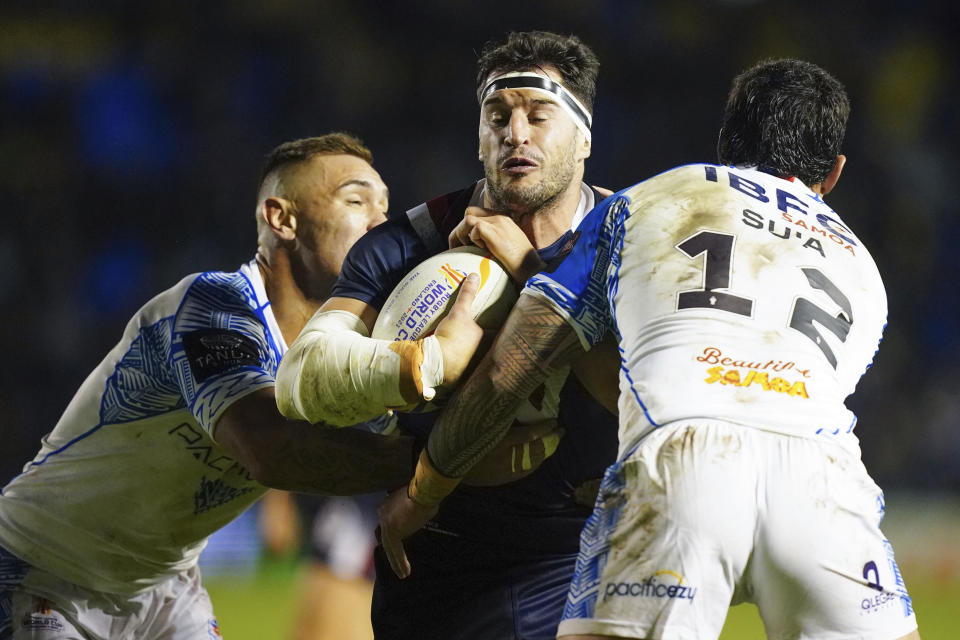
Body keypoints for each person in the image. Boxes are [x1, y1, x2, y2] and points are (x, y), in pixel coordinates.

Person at [380, 59, 922, 640]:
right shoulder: (864, 268)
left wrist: (422, 493)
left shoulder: (645, 201)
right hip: (826, 483)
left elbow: (510, 368)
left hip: (684, 462)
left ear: (723, 142)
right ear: (834, 173)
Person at [0, 132, 530, 640]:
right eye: (355, 201)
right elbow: (270, 447)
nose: (380, 223)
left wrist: (524, 284)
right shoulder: (212, 307)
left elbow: (424, 429)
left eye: (385, 208)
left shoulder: (343, 354)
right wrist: (435, 458)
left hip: (164, 589)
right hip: (44, 568)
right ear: (281, 218)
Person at [276, 31, 620, 640]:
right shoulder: (408, 243)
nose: (516, 133)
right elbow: (302, 378)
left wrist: (532, 273)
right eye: (497, 117)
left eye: (539, 116)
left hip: (578, 552)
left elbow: (642, 389)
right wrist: (429, 362)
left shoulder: (632, 240)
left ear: (585, 137)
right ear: (479, 137)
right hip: (435, 553)